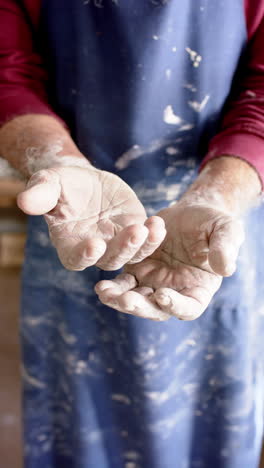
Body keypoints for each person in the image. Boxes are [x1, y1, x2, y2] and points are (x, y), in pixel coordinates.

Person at [0, 0, 264, 467]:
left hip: (208, 228)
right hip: (77, 214)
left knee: (211, 429)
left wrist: (218, 196)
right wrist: (57, 162)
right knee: (79, 427)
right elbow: (9, 72)